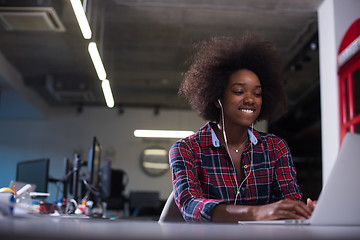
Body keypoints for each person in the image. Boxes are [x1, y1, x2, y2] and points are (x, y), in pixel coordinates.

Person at [169, 33, 315, 223]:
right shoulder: (185, 150)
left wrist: (304, 210)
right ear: (216, 97)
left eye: (257, 93)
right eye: (238, 91)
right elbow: (190, 206)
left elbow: (289, 201)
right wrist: (256, 213)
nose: (250, 99)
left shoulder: (275, 147)